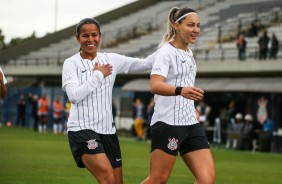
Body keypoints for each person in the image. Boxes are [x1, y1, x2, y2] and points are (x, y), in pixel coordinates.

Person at [62, 18, 153, 184]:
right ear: (77, 38)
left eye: (94, 35)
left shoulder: (111, 59)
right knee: (108, 179)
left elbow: (145, 64)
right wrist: (98, 75)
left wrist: (170, 47)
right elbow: (74, 96)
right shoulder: (71, 63)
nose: (90, 39)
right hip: (82, 130)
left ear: (100, 36)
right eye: (85, 36)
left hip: (108, 131)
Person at [142, 7, 215, 184]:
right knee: (158, 179)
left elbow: (186, 89)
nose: (196, 30)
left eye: (198, 25)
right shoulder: (165, 53)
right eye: (190, 25)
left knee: (206, 179)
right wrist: (180, 90)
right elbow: (155, 85)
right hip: (168, 124)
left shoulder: (189, 53)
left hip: (191, 123)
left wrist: (192, 108)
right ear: (177, 25)